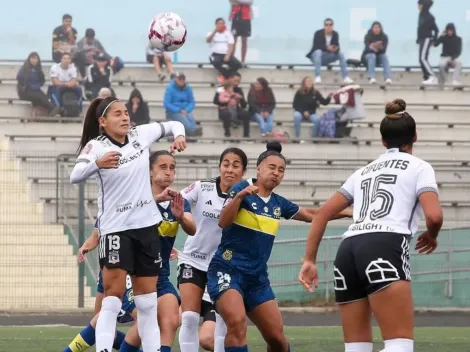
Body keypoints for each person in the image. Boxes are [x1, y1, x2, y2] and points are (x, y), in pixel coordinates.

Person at [298, 98, 443, 352]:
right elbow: (434, 217)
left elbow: (320, 215)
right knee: (399, 346)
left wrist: (309, 260)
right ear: (415, 136)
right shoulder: (420, 168)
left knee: (356, 349)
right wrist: (432, 236)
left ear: (383, 141)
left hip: (348, 250)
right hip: (385, 245)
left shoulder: (363, 171)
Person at [207, 141, 352, 352]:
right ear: (259, 169)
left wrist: (347, 212)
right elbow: (223, 221)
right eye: (272, 168)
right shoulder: (242, 189)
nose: (276, 173)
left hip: (257, 279)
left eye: (281, 170)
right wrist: (238, 197)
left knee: (278, 340)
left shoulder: (278, 203)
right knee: (237, 323)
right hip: (227, 270)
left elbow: (313, 215)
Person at [69, 96, 186, 352]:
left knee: (148, 304)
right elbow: (75, 175)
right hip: (115, 230)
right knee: (112, 300)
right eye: (117, 114)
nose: (124, 117)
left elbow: (174, 124)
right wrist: (97, 164)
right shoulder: (95, 147)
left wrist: (179, 136)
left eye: (126, 112)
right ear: (102, 122)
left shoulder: (140, 135)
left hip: (146, 229)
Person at [116, 150, 196, 352]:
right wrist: (155, 201)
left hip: (160, 276)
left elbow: (192, 229)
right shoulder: (137, 197)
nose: (168, 172)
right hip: (134, 276)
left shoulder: (179, 201)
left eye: (172, 168)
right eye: (163, 167)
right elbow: (124, 223)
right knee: (144, 323)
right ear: (149, 172)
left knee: (171, 320)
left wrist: (181, 217)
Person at [177, 147, 248, 352]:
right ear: (219, 166)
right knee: (189, 317)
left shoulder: (248, 197)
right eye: (226, 164)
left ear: (243, 171)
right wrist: (184, 215)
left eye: (236, 166)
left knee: (222, 320)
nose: (229, 169)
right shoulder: (201, 187)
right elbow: (177, 201)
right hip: (193, 260)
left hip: (223, 266)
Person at [65, 226, 143, 352]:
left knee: (102, 322)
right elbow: (95, 234)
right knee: (101, 321)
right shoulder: (107, 211)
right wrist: (86, 246)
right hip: (116, 266)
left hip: (129, 267)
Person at [306, 18, 353, 84]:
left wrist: (335, 49)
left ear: (332, 26)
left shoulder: (335, 34)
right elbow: (316, 46)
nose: (328, 26)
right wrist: (327, 48)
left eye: (330, 25)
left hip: (327, 57)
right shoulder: (318, 33)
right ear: (324, 26)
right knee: (318, 52)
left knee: (341, 54)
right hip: (316, 57)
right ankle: (318, 76)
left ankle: (345, 77)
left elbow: (337, 46)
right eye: (326, 24)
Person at [16, 52, 59, 116]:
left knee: (44, 97)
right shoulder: (24, 69)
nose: (34, 60)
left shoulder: (38, 70)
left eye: (36, 59)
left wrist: (37, 85)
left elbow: (42, 80)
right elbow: (19, 79)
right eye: (32, 58)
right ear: (29, 59)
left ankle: (53, 110)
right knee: (39, 96)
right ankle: (52, 108)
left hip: (36, 90)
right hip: (26, 92)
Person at [214, 72, 251, 139]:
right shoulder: (221, 88)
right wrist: (228, 99)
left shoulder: (238, 89)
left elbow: (243, 105)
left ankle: (246, 135)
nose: (236, 83)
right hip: (224, 108)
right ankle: (227, 133)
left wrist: (240, 99)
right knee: (226, 113)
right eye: (235, 81)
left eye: (238, 81)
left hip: (235, 108)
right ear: (230, 79)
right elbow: (215, 101)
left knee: (246, 114)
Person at [417, 0, 439, 85]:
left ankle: (433, 76)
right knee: (420, 59)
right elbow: (420, 28)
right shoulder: (421, 15)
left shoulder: (429, 17)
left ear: (423, 5)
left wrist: (434, 39)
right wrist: (418, 38)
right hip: (421, 39)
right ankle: (427, 77)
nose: (418, 6)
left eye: (419, 5)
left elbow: (436, 29)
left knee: (423, 58)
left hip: (427, 39)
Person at [229, 0, 253, 66]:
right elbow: (231, 1)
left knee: (244, 41)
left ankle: (243, 61)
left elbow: (250, 2)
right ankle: (231, 60)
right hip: (236, 18)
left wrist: (237, 1)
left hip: (246, 19)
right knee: (233, 41)